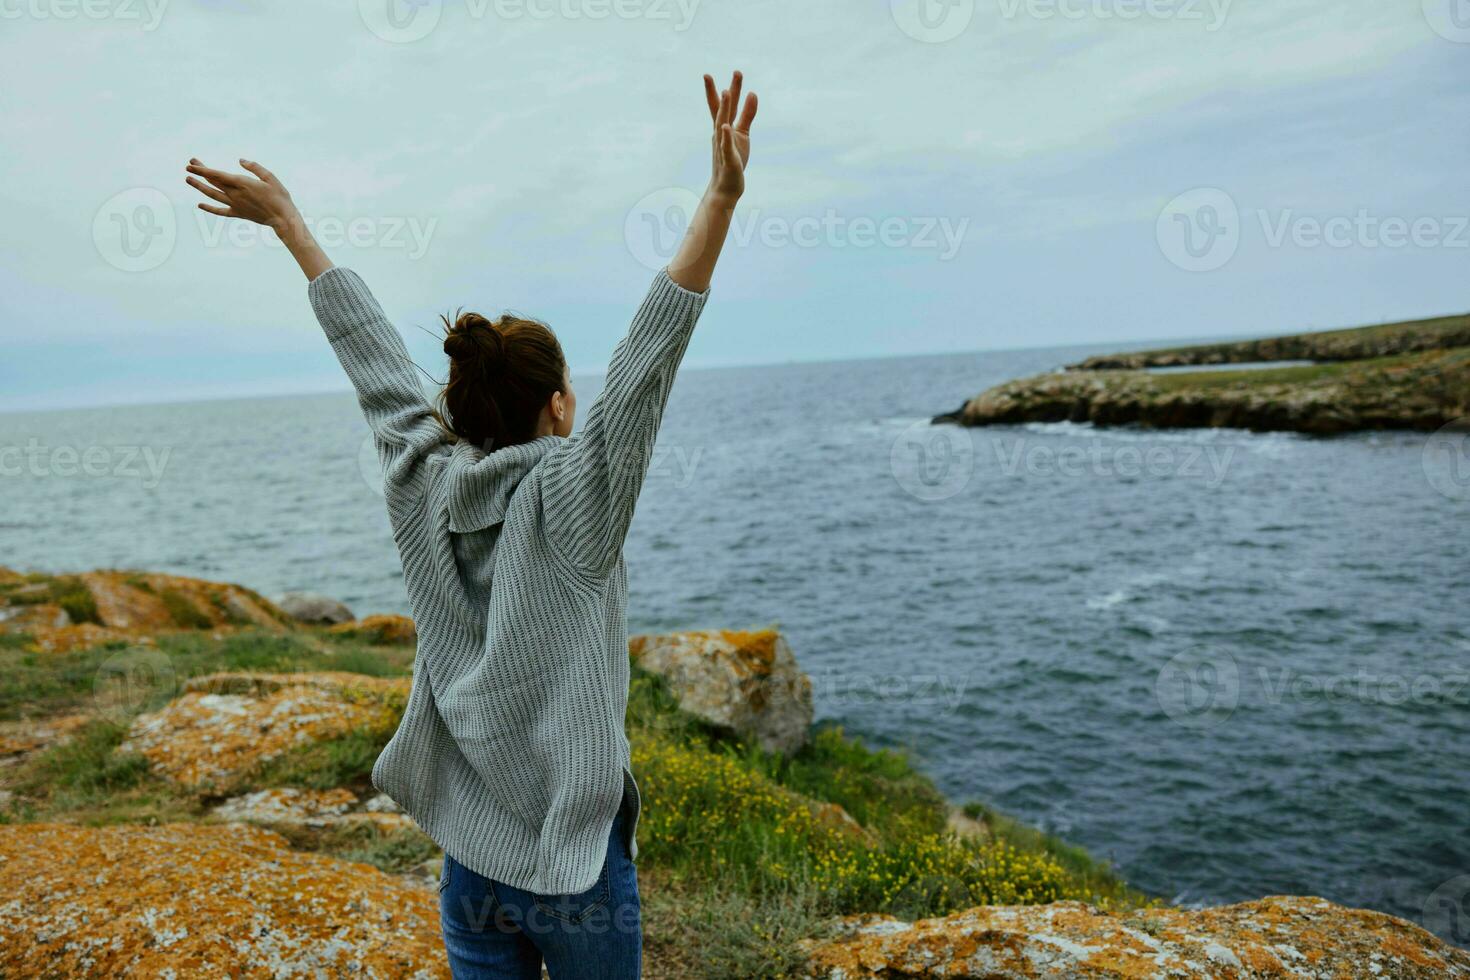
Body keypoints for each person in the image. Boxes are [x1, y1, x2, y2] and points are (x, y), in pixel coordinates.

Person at [185, 70, 758, 980]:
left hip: (471, 860)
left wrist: (292, 228)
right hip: (574, 869)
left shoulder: (420, 471)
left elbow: (372, 357)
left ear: (460, 405)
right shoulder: (577, 491)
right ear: (563, 407)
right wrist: (721, 199)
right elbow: (649, 357)